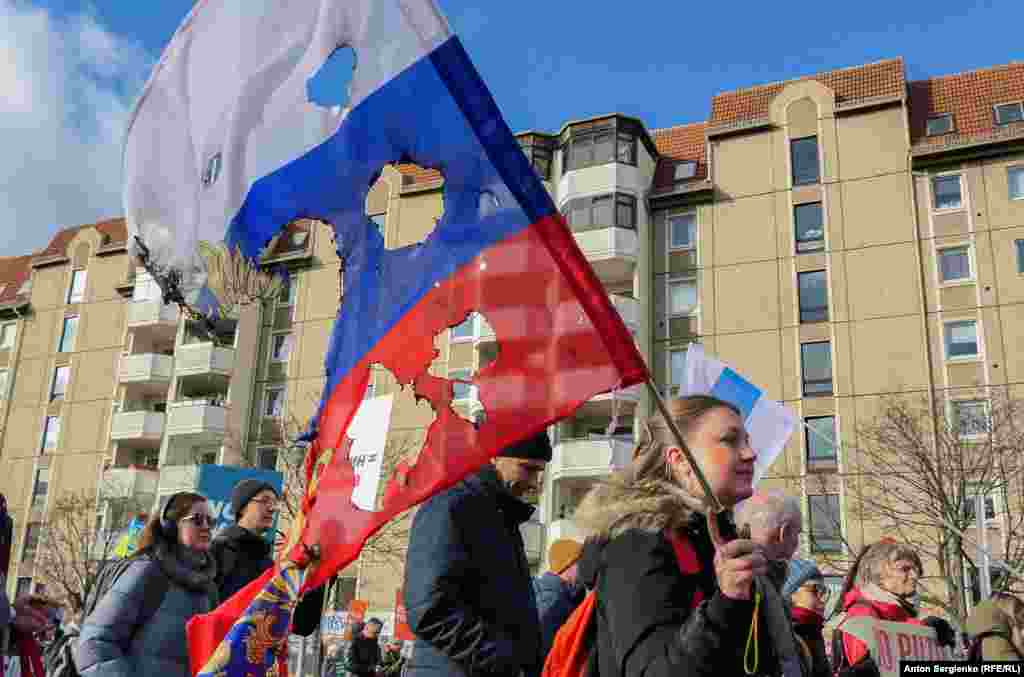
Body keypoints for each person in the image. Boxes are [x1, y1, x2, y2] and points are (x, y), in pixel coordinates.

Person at [572, 395, 802, 677]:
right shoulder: (638, 542)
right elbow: (652, 671)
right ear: (679, 460)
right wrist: (726, 602)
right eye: (731, 440)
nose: (750, 453)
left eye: (747, 440)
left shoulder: (714, 535)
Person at [403, 432, 551, 677]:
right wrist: (504, 662)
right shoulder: (452, 506)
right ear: (494, 457)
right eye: (528, 469)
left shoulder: (500, 517)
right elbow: (428, 608)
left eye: (539, 472)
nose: (534, 482)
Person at [74, 492, 219, 677]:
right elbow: (94, 645)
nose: (206, 527)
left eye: (211, 521)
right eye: (197, 520)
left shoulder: (208, 589)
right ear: (172, 526)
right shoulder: (148, 572)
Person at [209, 479, 324, 636]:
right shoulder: (217, 551)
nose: (272, 509)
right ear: (242, 508)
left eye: (275, 503)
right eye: (264, 501)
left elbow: (301, 624)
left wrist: (320, 573)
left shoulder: (270, 565)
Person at [832, 540, 955, 676]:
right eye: (905, 569)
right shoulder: (863, 613)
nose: (915, 576)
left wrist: (927, 634)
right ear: (878, 573)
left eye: (916, 570)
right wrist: (921, 637)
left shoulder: (896, 611)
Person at [734, 490, 803, 591]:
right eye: (797, 533)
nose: (797, 544)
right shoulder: (764, 585)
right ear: (785, 532)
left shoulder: (727, 573)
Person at [533, 539, 586, 663]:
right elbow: (545, 657)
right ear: (568, 565)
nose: (584, 569)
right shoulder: (552, 601)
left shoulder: (563, 597)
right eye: (580, 563)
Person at [783, 560, 831, 677]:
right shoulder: (787, 637)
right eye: (816, 590)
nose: (822, 599)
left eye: (824, 591)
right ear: (791, 595)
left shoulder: (812, 631)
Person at [965, 592, 1024, 661]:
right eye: (1022, 616)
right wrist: (1020, 646)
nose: (1021, 624)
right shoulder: (997, 647)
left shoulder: (984, 640)